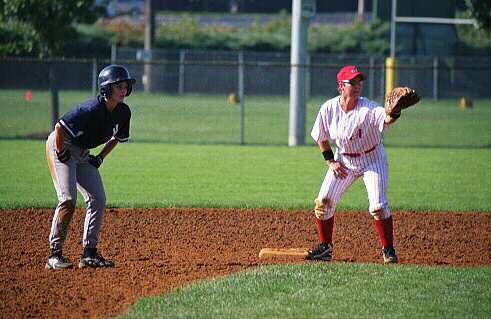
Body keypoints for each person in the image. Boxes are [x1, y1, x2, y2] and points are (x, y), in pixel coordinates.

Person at [45, 65, 136, 269]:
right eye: (118, 86)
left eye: (125, 86)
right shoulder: (91, 108)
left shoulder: (123, 112)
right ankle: (54, 255)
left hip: (83, 152)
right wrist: (61, 153)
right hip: (62, 145)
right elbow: (60, 127)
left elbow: (117, 138)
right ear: (106, 89)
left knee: (98, 198)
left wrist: (100, 157)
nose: (123, 90)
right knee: (68, 199)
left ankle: (89, 254)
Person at [307, 65, 400, 264]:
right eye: (353, 82)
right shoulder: (329, 108)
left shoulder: (368, 107)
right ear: (341, 86)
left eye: (360, 82)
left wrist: (396, 112)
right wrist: (331, 161)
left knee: (378, 206)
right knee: (323, 203)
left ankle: (388, 250)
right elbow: (320, 136)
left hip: (372, 159)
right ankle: (325, 248)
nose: (358, 86)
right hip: (345, 160)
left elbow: (386, 118)